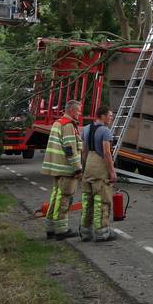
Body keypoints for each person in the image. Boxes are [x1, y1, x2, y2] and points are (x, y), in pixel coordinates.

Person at [42, 100, 82, 239]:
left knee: (55, 197)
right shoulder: (68, 125)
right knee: (65, 198)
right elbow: (70, 149)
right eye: (78, 111)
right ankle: (61, 230)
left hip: (56, 168)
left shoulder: (57, 123)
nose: (80, 113)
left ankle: (50, 228)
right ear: (71, 111)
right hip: (66, 169)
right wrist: (78, 169)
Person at [80, 108, 118, 242]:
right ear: (102, 116)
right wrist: (112, 171)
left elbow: (84, 151)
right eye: (109, 115)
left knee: (87, 201)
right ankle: (102, 233)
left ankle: (85, 232)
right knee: (102, 201)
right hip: (100, 170)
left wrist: (84, 169)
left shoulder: (85, 129)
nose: (111, 118)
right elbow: (107, 154)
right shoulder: (105, 131)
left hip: (88, 167)